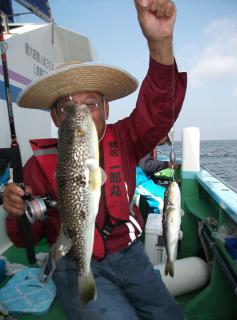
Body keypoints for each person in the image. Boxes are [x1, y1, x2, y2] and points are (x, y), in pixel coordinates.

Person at [3, 1, 187, 319]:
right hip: (73, 259)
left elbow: (160, 111)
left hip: (130, 254)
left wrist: (160, 43)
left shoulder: (127, 137)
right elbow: (25, 237)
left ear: (107, 108)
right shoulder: (38, 163)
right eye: (67, 106)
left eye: (91, 102)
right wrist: (18, 211)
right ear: (56, 117)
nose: (81, 112)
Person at [136, 130, 178, 214]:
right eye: (166, 140)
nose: (164, 143)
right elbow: (145, 165)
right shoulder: (146, 142)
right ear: (162, 134)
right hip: (137, 181)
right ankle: (159, 225)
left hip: (143, 179)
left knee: (166, 193)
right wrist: (167, 164)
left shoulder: (148, 142)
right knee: (164, 199)